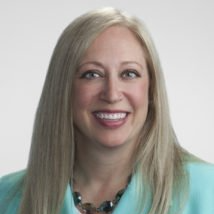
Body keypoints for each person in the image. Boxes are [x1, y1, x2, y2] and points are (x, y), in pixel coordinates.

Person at [0, 7, 214, 214]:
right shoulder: (6, 197)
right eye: (92, 74)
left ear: (151, 89)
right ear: (63, 89)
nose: (112, 94)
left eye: (129, 74)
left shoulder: (207, 191)